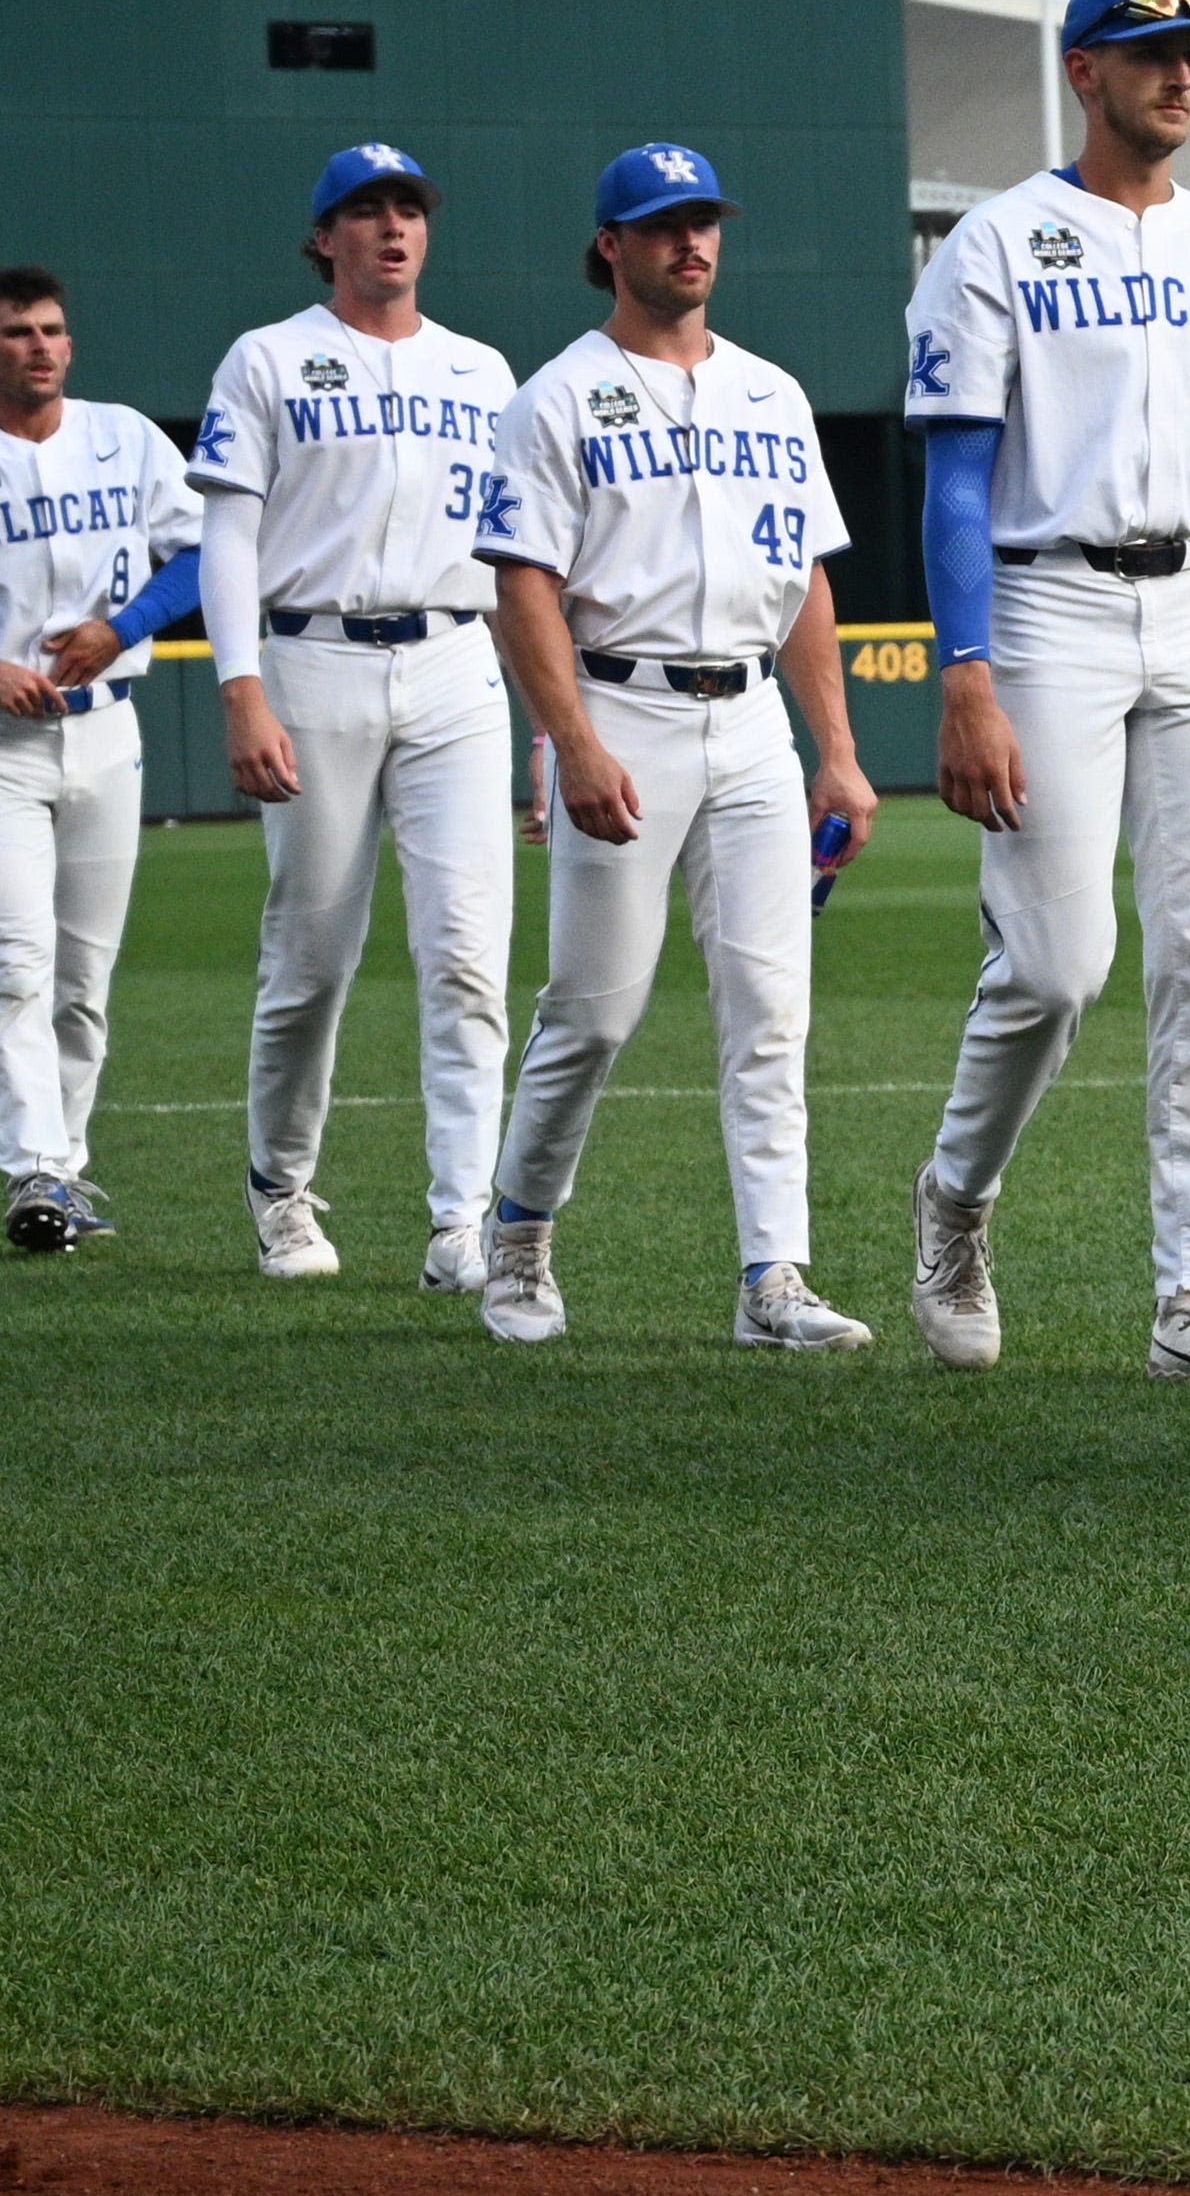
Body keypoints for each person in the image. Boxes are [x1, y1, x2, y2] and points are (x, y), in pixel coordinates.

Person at [902, 0, 1190, 1381]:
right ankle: (956, 1198)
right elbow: (955, 479)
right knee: (1053, 965)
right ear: (1083, 70)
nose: (1180, 73)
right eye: (1151, 50)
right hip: (1050, 612)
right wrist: (963, 673)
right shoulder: (998, 242)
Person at [465, 144, 880, 1349]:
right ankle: (522, 1230)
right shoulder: (554, 395)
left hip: (749, 717)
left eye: (703, 222)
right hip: (624, 709)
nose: (689, 243)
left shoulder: (771, 392)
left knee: (770, 1010)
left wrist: (838, 750)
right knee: (592, 1011)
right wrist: (572, 743)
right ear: (612, 244)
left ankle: (775, 1278)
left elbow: (801, 578)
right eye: (661, 226)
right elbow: (523, 586)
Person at [191, 145, 520, 1286]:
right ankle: (281, 1187)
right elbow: (227, 533)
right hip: (312, 659)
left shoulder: (484, 371)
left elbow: (528, 556)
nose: (393, 227)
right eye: (366, 210)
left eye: (410, 209)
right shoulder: (268, 357)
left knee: (470, 956)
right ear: (323, 236)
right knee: (312, 955)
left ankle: (461, 1219)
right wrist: (241, 685)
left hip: (456, 663)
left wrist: (550, 721)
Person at [0, 268, 201, 1255]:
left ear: (69, 344)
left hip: (106, 725)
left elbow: (204, 552)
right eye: (15, 332)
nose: (37, 345)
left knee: (82, 978)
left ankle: (60, 1175)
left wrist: (122, 626)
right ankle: (33, 1163)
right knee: (16, 963)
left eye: (50, 329)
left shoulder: (123, 436)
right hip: (2, 750)